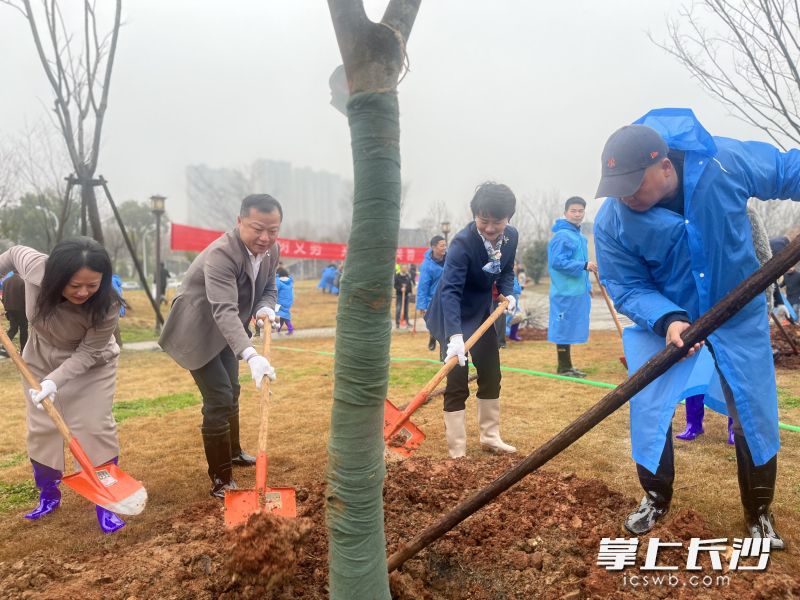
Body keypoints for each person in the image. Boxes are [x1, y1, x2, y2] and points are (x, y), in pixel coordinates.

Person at [594, 108, 797, 549]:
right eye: (616, 189)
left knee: (754, 408)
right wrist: (667, 318)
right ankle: (654, 497)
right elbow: (625, 283)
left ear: (664, 166)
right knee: (649, 408)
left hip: (737, 309)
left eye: (633, 185)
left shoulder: (723, 162)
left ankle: (759, 512)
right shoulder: (613, 220)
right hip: (663, 319)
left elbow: (785, 169)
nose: (624, 197)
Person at [159, 194, 282, 499]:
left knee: (233, 391)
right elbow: (223, 309)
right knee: (218, 397)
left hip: (228, 331)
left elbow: (268, 286)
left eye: (273, 230)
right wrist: (251, 354)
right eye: (257, 228)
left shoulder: (271, 250)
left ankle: (235, 452)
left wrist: (266, 307)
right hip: (197, 330)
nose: (265, 238)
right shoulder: (221, 255)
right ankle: (221, 478)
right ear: (239, 222)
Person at [0, 239, 127, 533]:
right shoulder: (35, 267)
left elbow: (87, 353)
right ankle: (48, 493)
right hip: (41, 356)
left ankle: (106, 501)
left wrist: (54, 381)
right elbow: (10, 254)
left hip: (91, 364)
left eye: (92, 285)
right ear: (56, 276)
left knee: (94, 426)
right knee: (42, 426)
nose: (83, 292)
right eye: (74, 285)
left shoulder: (107, 303)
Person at [425, 182, 519, 458]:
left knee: (491, 374)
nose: (490, 228)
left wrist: (507, 293)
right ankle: (457, 451)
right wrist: (454, 336)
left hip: (481, 315)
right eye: (484, 220)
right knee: (457, 381)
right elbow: (450, 291)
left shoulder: (510, 237)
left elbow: (507, 270)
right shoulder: (462, 244)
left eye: (497, 221)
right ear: (475, 214)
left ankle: (490, 437)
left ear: (508, 219)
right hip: (450, 314)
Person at [547, 196, 595, 378]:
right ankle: (564, 367)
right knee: (563, 327)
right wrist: (584, 265)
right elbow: (558, 262)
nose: (577, 214)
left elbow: (580, 263)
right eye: (573, 210)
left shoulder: (579, 237)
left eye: (580, 210)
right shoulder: (562, 236)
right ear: (566, 212)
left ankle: (568, 366)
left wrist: (587, 284)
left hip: (577, 290)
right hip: (564, 292)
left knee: (570, 326)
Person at [416, 235, 447, 351]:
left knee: (447, 322)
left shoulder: (450, 259)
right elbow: (423, 287)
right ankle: (432, 336)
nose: (444, 248)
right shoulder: (427, 266)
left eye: (445, 245)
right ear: (434, 247)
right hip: (433, 300)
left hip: (449, 296)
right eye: (442, 245)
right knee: (433, 323)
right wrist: (421, 305)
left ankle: (444, 346)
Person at [2, 271, 28, 354]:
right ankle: (23, 350)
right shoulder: (23, 281)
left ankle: (4, 348)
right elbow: (26, 297)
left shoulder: (6, 281)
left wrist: (6, 307)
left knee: (13, 328)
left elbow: (3, 297)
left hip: (10, 309)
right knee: (23, 330)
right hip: (21, 310)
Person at [275, 267, 295, 335]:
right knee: (283, 316)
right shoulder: (290, 281)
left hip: (280, 302)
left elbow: (275, 289)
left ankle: (290, 329)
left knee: (283, 317)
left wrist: (276, 276)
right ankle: (279, 330)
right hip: (289, 302)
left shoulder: (278, 281)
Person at [394, 264, 413, 328]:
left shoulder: (408, 276)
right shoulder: (397, 276)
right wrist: (400, 289)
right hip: (399, 295)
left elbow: (409, 285)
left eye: (406, 268)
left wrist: (410, 292)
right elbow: (395, 285)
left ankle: (406, 322)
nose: (405, 269)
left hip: (406, 295)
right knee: (398, 309)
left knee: (406, 309)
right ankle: (397, 323)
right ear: (401, 268)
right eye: (404, 268)